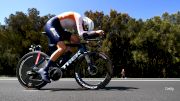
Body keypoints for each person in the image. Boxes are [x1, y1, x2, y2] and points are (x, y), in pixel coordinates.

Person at [38, 11, 104, 83]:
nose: (85, 30)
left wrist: (91, 38)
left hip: (60, 29)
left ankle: (64, 60)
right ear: (85, 22)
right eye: (85, 28)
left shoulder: (78, 24)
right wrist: (96, 32)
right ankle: (44, 70)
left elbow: (80, 37)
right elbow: (82, 34)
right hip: (52, 25)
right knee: (62, 48)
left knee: (76, 40)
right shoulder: (79, 17)